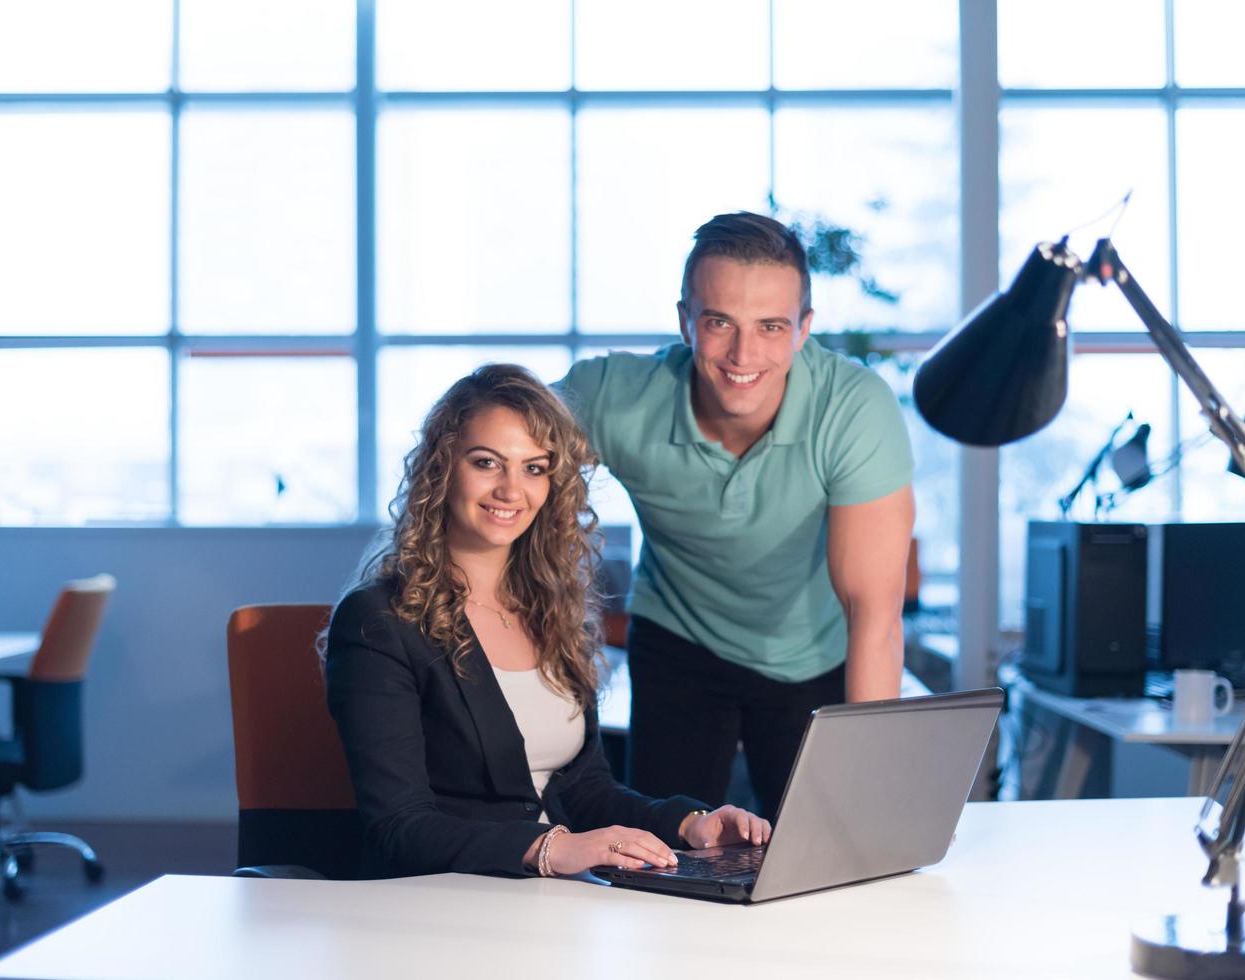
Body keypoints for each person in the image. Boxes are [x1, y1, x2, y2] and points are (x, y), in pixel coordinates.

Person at [324, 363, 769, 880]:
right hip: (447, 904)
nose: (512, 490)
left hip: (556, 899)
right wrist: (551, 849)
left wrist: (693, 823)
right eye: (487, 462)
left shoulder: (551, 609)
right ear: (443, 467)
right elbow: (399, 827)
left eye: (535, 468)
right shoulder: (379, 621)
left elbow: (584, 790)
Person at [557, 212, 915, 816]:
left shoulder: (853, 410)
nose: (743, 353)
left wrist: (868, 790)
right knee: (664, 859)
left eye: (771, 326)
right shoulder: (612, 397)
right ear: (685, 322)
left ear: (804, 330)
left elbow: (874, 618)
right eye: (719, 321)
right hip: (680, 641)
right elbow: (505, 472)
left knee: (832, 850)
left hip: (813, 650)